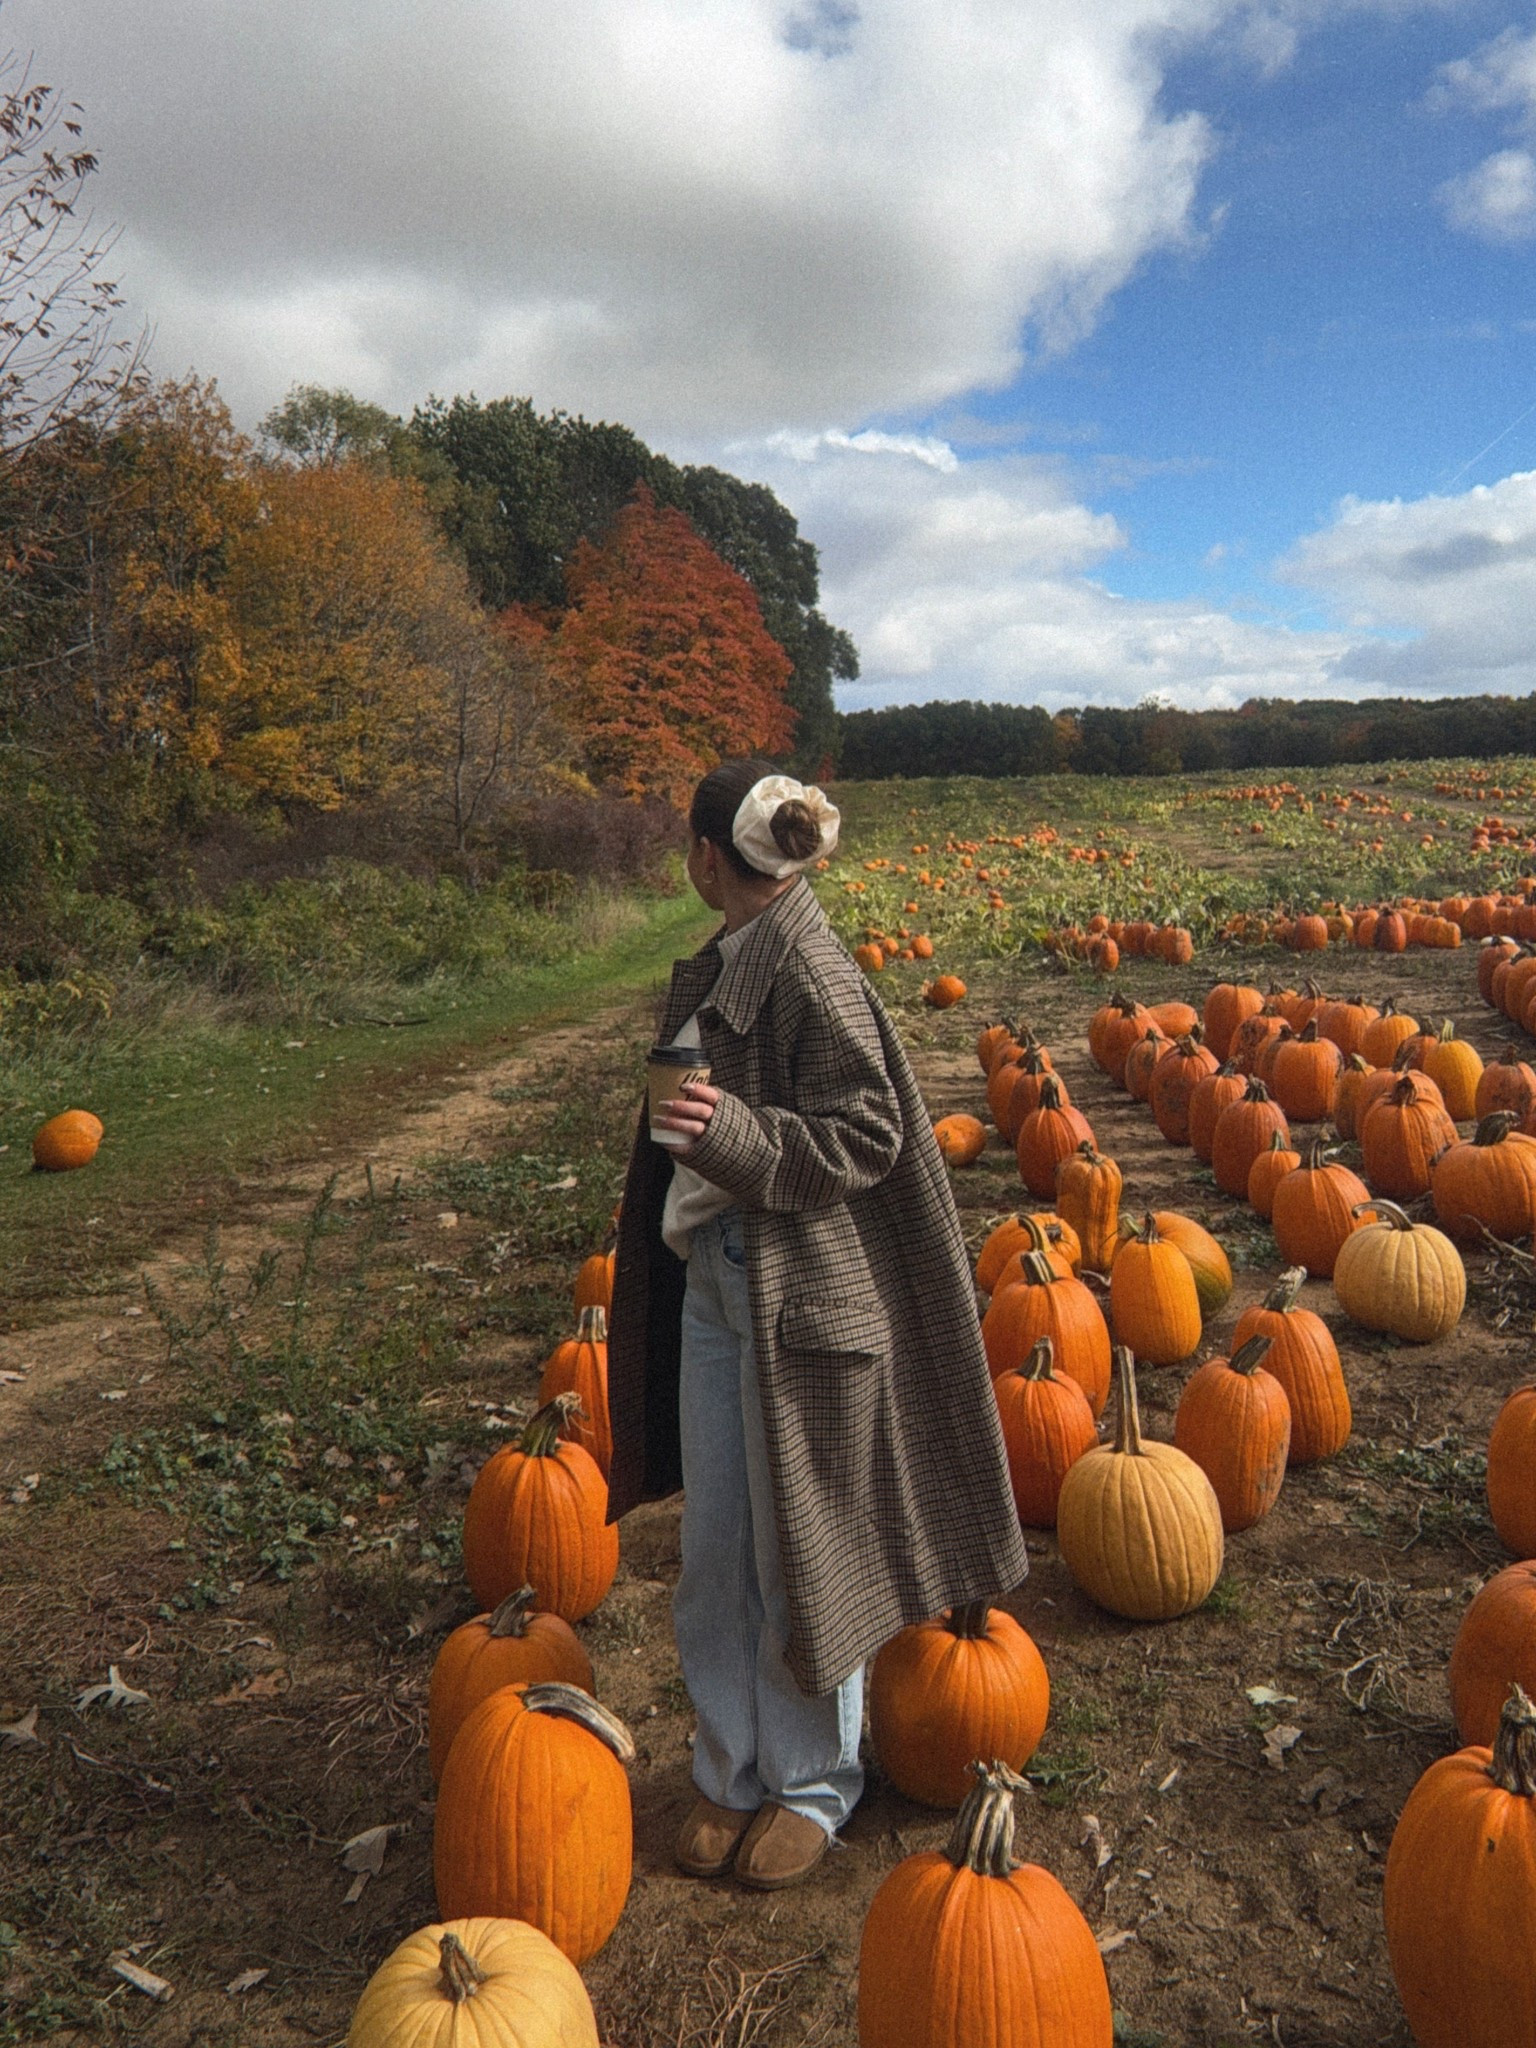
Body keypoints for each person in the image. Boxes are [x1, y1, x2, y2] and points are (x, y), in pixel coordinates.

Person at [606, 759, 1027, 1891]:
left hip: (797, 1295)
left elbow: (870, 1130)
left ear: (708, 857)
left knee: (801, 1544)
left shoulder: (812, 965)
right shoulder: (739, 951)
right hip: (717, 1283)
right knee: (716, 1549)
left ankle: (811, 1782)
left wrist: (736, 1133)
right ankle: (730, 1764)